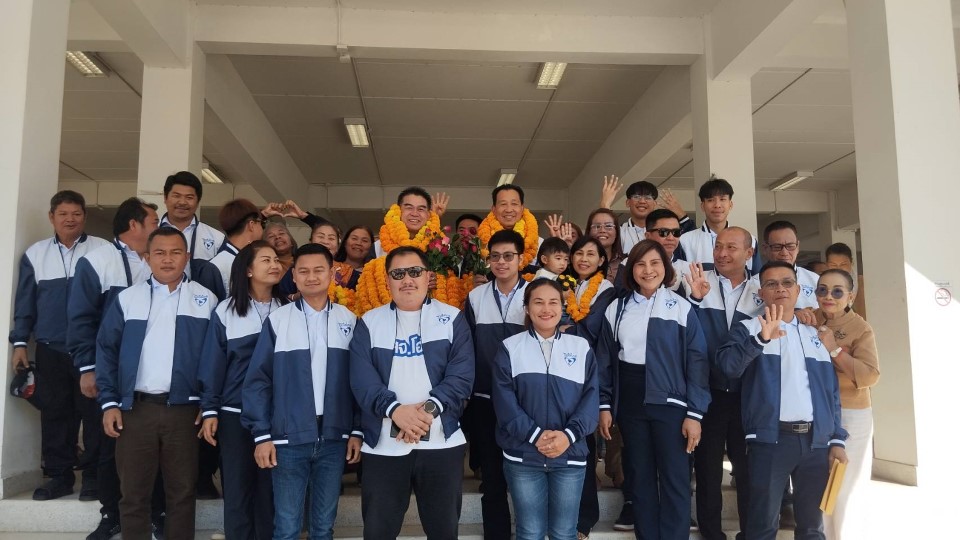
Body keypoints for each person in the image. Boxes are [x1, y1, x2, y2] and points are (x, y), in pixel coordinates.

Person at [95, 227, 216, 540]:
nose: (167, 259)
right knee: (133, 493)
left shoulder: (205, 299)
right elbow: (106, 352)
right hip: (135, 410)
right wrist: (109, 402)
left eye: (175, 252)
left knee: (182, 492)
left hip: (185, 412)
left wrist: (208, 404)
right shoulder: (127, 299)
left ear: (187, 257)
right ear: (147, 257)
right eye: (159, 253)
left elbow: (214, 359)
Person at [349, 246, 475, 540]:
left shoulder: (452, 318)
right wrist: (395, 411)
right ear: (387, 280)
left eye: (415, 272)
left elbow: (462, 376)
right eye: (398, 274)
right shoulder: (369, 322)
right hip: (383, 446)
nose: (407, 279)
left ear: (428, 277)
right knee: (378, 532)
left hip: (442, 444)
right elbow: (361, 379)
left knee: (443, 532)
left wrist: (425, 413)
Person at [717, 262, 848, 540]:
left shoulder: (817, 333)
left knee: (812, 528)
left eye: (787, 283)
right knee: (761, 527)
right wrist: (760, 340)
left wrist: (837, 438)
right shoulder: (748, 328)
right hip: (770, 441)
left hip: (816, 443)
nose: (780, 289)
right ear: (761, 292)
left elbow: (831, 391)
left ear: (798, 290)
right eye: (772, 284)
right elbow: (727, 367)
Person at [243, 243, 363, 540]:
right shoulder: (278, 320)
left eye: (318, 270)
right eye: (304, 271)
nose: (311, 277)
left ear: (332, 273)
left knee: (324, 526)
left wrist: (357, 430)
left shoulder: (349, 320)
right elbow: (258, 381)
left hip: (334, 437)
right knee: (286, 527)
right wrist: (262, 435)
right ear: (293, 276)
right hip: (288, 439)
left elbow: (361, 382)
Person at [596, 240, 710, 540]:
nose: (648, 270)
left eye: (655, 263)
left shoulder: (680, 307)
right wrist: (604, 405)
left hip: (672, 403)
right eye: (641, 264)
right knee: (640, 476)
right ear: (631, 270)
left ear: (666, 267)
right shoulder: (617, 309)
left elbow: (697, 361)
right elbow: (605, 360)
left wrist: (694, 413)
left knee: (675, 477)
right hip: (631, 401)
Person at [67, 197, 159, 540]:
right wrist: (87, 368)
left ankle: (154, 514)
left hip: (152, 376)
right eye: (154, 222)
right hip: (111, 373)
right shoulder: (97, 261)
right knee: (111, 445)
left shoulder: (159, 261)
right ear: (134, 225)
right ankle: (111, 515)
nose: (159, 227)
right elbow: (81, 319)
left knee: (153, 448)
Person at [9, 190, 109, 501]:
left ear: (85, 217)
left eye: (76, 214)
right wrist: (20, 343)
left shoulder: (103, 250)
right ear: (51, 217)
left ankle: (93, 476)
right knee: (55, 413)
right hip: (50, 348)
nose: (70, 219)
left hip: (90, 350)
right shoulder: (36, 254)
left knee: (93, 413)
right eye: (63, 214)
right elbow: (25, 303)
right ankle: (59, 476)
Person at [493, 278, 599, 540]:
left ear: (562, 307)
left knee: (564, 532)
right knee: (530, 532)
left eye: (553, 302)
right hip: (524, 456)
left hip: (569, 455)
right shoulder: (510, 348)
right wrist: (535, 436)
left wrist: (568, 436)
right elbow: (505, 404)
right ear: (527, 308)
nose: (546, 309)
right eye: (538, 302)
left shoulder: (581, 348)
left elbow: (590, 401)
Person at [199, 241, 285, 539]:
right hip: (235, 413)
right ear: (248, 270)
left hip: (276, 414)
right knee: (237, 487)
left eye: (276, 260)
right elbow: (213, 364)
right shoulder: (226, 311)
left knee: (269, 489)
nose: (275, 265)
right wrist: (209, 409)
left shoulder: (287, 310)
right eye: (266, 260)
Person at [683, 227, 763, 540]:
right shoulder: (697, 281)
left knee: (747, 470)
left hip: (747, 395)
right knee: (707, 469)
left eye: (731, 247)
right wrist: (695, 298)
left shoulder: (762, 288)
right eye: (718, 246)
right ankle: (711, 532)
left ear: (749, 253)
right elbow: (682, 329)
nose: (722, 253)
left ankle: (749, 532)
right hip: (708, 393)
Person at [464, 230, 529, 539]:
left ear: (521, 259)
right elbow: (466, 347)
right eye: (495, 256)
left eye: (508, 256)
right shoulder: (475, 297)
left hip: (525, 399)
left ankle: (530, 531)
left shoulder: (535, 294)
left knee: (526, 471)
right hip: (485, 396)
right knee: (491, 474)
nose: (501, 262)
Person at [813, 270, 879, 540]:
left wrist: (835, 350)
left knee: (844, 485)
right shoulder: (810, 318)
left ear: (850, 296)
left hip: (851, 413)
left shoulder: (860, 328)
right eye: (822, 290)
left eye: (837, 291)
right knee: (819, 483)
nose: (828, 296)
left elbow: (869, 375)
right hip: (817, 412)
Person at [562, 235, 615, 538]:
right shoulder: (563, 284)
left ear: (601, 260)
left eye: (591, 254)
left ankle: (584, 519)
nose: (584, 259)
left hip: (587, 373)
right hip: (557, 372)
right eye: (578, 253)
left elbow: (591, 328)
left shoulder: (606, 290)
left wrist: (565, 326)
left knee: (583, 445)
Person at [678, 177, 762, 274]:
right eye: (710, 200)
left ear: (730, 204)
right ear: (702, 206)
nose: (717, 205)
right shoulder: (685, 241)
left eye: (722, 199)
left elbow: (757, 277)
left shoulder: (749, 240)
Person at [611, 179, 695, 255]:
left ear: (655, 204)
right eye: (636, 197)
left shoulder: (671, 232)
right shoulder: (619, 232)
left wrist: (681, 215)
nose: (642, 201)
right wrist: (605, 205)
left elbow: (694, 241)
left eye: (648, 197)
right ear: (628, 203)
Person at [477, 185, 542, 280]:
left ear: (522, 208)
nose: (509, 210)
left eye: (514, 204)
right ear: (494, 209)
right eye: (503, 204)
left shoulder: (539, 244)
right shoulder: (479, 244)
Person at [160, 171, 224, 260]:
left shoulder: (217, 238)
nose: (182, 202)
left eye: (189, 197)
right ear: (165, 198)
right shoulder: (149, 232)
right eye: (176, 196)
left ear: (198, 201)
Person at [209, 199, 267, 293]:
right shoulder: (217, 266)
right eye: (261, 224)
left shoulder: (220, 262)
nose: (262, 229)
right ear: (251, 225)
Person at [761, 220, 819, 311]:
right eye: (777, 247)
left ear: (798, 247)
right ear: (765, 249)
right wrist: (793, 315)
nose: (784, 253)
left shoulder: (815, 280)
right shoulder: (753, 284)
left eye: (790, 246)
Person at [825, 243, 867, 318]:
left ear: (851, 262)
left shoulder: (859, 282)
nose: (838, 268)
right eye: (833, 265)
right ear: (827, 264)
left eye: (843, 264)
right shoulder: (819, 282)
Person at [586, 208, 625, 284]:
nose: (602, 230)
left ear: (616, 233)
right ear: (589, 231)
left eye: (608, 226)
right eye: (597, 226)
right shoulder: (581, 260)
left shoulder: (625, 263)